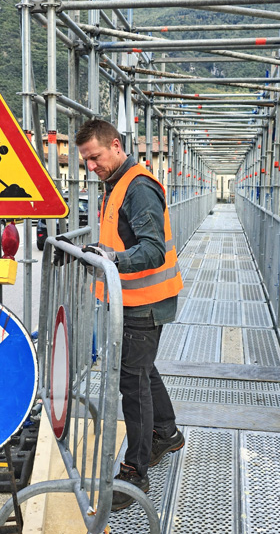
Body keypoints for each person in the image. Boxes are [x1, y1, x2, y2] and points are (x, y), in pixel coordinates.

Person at [75, 119, 185, 512]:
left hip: (146, 301)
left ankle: (136, 469)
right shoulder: (116, 183)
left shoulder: (138, 187)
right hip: (135, 298)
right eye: (86, 160)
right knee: (142, 370)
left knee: (132, 383)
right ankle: (167, 433)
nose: (91, 166)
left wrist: (113, 260)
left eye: (95, 157)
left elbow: (153, 249)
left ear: (116, 146)